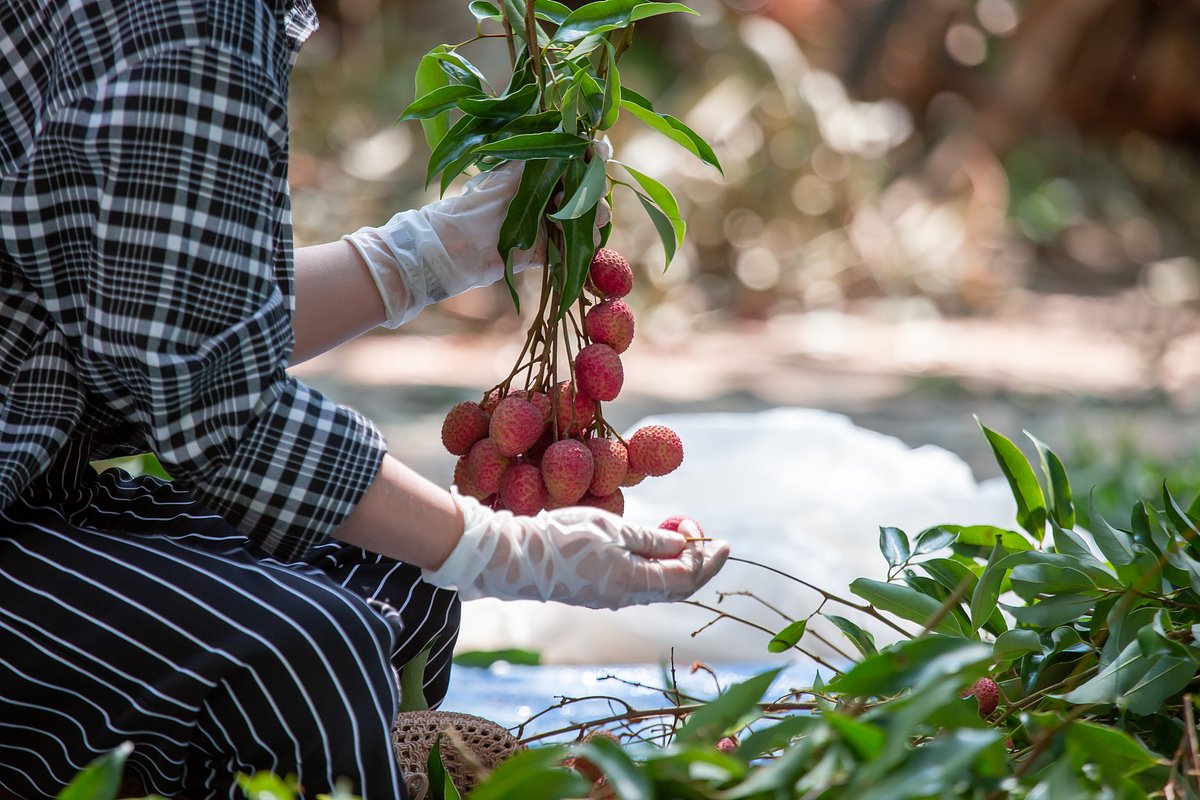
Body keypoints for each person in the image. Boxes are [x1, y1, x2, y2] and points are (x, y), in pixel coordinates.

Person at [0, 0, 730, 798]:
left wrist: (424, 256)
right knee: (317, 651)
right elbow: (213, 406)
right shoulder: (199, 19)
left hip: (44, 474)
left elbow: (155, 320)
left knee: (402, 579)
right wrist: (506, 551)